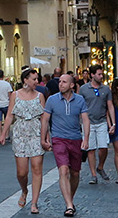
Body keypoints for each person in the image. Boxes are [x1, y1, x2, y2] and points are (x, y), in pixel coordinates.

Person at [0, 68, 47, 214]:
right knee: (22, 172)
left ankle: (34, 202)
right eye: (34, 79)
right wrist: (3, 133)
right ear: (25, 80)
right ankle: (24, 190)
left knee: (37, 169)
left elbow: (44, 118)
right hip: (20, 134)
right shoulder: (15, 95)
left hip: (36, 133)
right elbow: (9, 116)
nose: (36, 82)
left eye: (37, 79)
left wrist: (45, 137)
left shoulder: (40, 95)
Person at [41, 73, 90, 218]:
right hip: (58, 139)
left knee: (75, 173)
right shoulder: (52, 100)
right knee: (63, 171)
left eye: (64, 82)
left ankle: (70, 199)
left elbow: (85, 120)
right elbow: (45, 120)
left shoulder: (80, 100)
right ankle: (69, 205)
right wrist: (43, 138)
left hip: (75, 139)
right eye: (60, 82)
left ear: (71, 85)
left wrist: (86, 139)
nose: (60, 84)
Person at [77, 64, 115, 184]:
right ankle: (94, 174)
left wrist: (113, 123)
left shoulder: (105, 89)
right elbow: (79, 105)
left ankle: (100, 166)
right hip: (88, 122)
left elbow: (110, 106)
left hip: (102, 121)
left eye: (101, 74)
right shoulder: (83, 89)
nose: (101, 76)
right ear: (92, 75)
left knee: (104, 147)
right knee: (91, 149)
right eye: (98, 74)